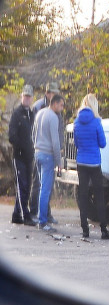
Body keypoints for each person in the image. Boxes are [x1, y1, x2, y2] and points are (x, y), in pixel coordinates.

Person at [73, 94, 109, 240]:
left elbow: (76, 143)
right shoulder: (97, 122)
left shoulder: (76, 121)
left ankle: (85, 230)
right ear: (94, 105)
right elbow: (102, 143)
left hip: (81, 163)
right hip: (94, 163)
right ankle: (104, 230)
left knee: (83, 195)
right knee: (99, 196)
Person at [29, 82, 62, 224]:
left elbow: (33, 133)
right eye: (61, 105)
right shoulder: (41, 108)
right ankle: (39, 216)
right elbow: (55, 140)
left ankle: (45, 214)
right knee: (42, 187)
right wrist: (59, 160)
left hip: (40, 151)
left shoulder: (45, 112)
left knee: (44, 187)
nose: (62, 108)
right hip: (46, 153)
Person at [8, 85, 37, 226]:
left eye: (29, 96)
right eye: (25, 96)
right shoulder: (17, 114)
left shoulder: (32, 114)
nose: (27, 98)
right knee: (22, 185)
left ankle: (16, 214)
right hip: (19, 156)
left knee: (27, 185)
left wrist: (31, 149)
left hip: (29, 156)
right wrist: (22, 147)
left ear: (32, 98)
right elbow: (12, 136)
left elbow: (34, 134)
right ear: (22, 97)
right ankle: (25, 214)